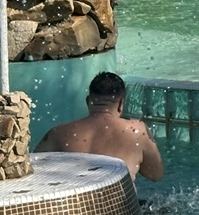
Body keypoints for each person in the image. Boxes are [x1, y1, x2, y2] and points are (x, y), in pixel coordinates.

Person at [35, 72, 164, 182]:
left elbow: (32, 169)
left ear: (88, 101)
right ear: (121, 104)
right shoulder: (137, 131)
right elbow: (156, 175)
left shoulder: (59, 132)